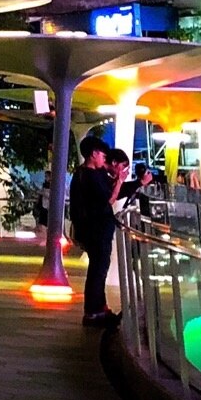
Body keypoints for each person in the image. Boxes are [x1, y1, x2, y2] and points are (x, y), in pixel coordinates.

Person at [67, 131, 125, 325]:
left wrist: (121, 181)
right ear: (93, 154)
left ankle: (100, 308)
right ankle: (92, 312)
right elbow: (108, 199)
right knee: (97, 271)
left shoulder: (94, 173)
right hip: (95, 231)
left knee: (100, 269)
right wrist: (120, 182)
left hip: (99, 229)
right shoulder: (88, 176)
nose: (104, 158)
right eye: (102, 154)